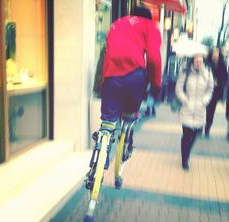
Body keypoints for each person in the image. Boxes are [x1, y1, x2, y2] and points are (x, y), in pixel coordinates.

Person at [89, 6, 162, 167]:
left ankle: (100, 158)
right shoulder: (150, 27)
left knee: (108, 121)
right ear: (149, 18)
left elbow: (108, 49)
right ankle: (126, 138)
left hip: (111, 76)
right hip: (134, 77)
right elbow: (154, 59)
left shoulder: (117, 23)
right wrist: (156, 84)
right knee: (130, 113)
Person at [175, 53, 214, 170]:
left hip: (200, 108)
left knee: (197, 133)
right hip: (187, 108)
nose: (198, 63)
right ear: (193, 61)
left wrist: (205, 100)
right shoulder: (186, 72)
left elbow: (210, 89)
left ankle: (187, 152)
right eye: (196, 61)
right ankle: (185, 159)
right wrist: (185, 99)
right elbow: (178, 88)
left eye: (200, 61)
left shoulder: (207, 73)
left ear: (203, 62)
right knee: (186, 135)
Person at [204, 47, 228, 137]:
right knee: (203, 109)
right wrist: (210, 80)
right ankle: (199, 127)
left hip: (215, 92)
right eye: (214, 52)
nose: (215, 54)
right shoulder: (206, 63)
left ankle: (207, 128)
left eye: (217, 52)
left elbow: (225, 77)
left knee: (211, 111)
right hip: (205, 90)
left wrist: (219, 82)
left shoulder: (222, 64)